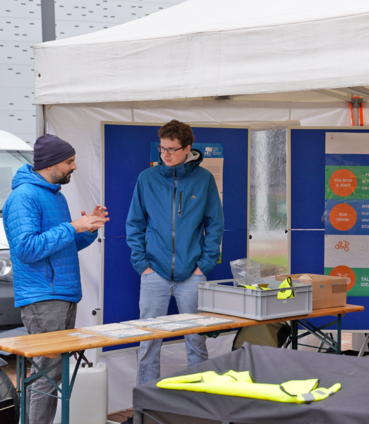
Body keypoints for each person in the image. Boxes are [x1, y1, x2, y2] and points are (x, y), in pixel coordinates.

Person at [2, 134, 108, 424]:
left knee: (52, 374)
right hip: (43, 298)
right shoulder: (24, 197)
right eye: (69, 161)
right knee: (46, 376)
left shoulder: (53, 195)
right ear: (50, 164)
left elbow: (63, 244)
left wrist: (87, 229)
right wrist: (73, 226)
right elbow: (26, 249)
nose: (74, 167)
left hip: (61, 294)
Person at [126, 120, 224, 388]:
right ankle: (146, 400)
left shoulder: (204, 179)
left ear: (187, 149)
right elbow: (134, 223)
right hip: (153, 273)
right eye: (162, 148)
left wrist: (203, 266)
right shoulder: (146, 179)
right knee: (149, 341)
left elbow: (214, 225)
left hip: (192, 274)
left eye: (172, 149)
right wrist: (141, 265)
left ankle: (201, 401)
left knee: (196, 341)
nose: (165, 154)